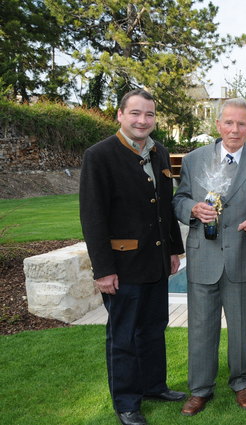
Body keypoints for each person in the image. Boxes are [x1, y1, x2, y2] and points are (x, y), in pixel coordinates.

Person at [79, 89, 186, 425]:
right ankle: (126, 402)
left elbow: (166, 208)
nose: (143, 120)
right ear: (120, 115)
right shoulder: (100, 156)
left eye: (149, 114)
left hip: (156, 262)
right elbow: (93, 218)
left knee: (153, 328)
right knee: (123, 336)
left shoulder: (159, 152)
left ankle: (154, 386)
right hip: (122, 266)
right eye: (136, 113)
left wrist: (173, 250)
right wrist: (103, 270)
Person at [172, 98, 246, 417]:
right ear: (218, 124)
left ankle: (241, 382)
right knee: (201, 328)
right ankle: (200, 389)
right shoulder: (194, 159)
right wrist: (192, 209)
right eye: (229, 122)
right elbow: (179, 199)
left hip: (243, 256)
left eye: (241, 123)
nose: (234, 129)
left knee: (242, 328)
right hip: (203, 257)